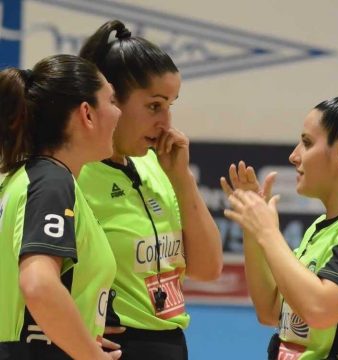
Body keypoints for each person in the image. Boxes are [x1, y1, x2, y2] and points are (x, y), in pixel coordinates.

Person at [77, 20, 223, 359]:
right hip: (111, 349)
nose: (166, 124)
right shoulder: (71, 175)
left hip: (171, 341)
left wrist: (182, 180)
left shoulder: (157, 166)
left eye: (170, 105)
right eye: (154, 106)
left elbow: (207, 268)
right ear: (111, 100)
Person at [0, 54, 122, 360]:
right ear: (87, 114)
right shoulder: (52, 183)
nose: (118, 112)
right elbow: (38, 285)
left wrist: (78, 338)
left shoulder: (25, 179)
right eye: (111, 100)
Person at [221, 94, 338, 359]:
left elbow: (320, 309)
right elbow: (271, 310)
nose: (294, 155)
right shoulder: (323, 226)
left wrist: (268, 232)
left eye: (306, 143)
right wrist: (254, 230)